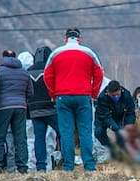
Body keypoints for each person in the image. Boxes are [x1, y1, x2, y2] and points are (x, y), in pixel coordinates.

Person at [44, 27, 103, 171]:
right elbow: (99, 75)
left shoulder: (55, 53)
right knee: (85, 131)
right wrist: (93, 93)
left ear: (65, 39)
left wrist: (53, 94)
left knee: (66, 132)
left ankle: (68, 166)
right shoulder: (89, 53)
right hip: (83, 96)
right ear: (79, 39)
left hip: (62, 97)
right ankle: (89, 165)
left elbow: (47, 76)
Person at [0, 50, 34, 174]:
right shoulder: (24, 73)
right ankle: (22, 166)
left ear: (3, 57)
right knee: (21, 138)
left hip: (3, 107)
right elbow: (30, 93)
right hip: (20, 107)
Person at [28, 46, 60, 172]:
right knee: (63, 133)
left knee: (39, 138)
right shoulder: (51, 69)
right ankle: (64, 160)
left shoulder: (28, 71)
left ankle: (40, 166)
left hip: (35, 110)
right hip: (51, 108)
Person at [95, 80, 136, 151]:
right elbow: (105, 117)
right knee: (99, 132)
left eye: (117, 94)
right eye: (113, 95)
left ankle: (123, 151)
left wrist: (128, 126)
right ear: (108, 93)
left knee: (122, 134)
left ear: (120, 90)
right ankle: (110, 148)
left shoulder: (126, 95)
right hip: (103, 117)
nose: (116, 97)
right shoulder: (102, 98)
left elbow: (131, 113)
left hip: (120, 116)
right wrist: (116, 128)